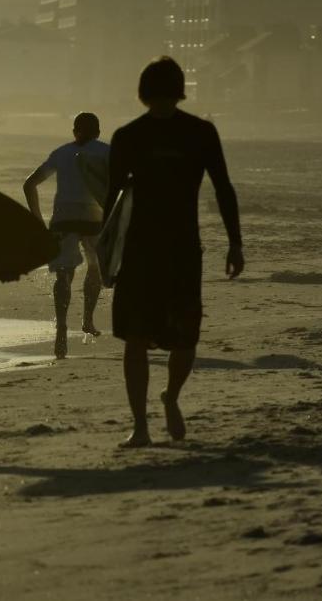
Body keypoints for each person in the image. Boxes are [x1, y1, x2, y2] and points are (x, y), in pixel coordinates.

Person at [104, 57, 243, 448]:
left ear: (178, 94)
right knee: (135, 337)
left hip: (183, 249)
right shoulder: (128, 136)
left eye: (168, 97)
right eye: (157, 97)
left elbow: (223, 188)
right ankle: (139, 425)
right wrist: (106, 254)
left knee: (184, 339)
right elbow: (112, 199)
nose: (163, 104)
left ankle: (171, 397)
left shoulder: (199, 132)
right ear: (146, 96)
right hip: (137, 250)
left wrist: (235, 242)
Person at [23, 112, 110, 358]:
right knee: (95, 268)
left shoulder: (61, 153)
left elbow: (29, 184)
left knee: (64, 275)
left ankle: (61, 329)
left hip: (63, 217)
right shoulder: (106, 152)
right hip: (94, 219)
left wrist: (37, 220)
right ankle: (87, 320)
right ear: (99, 132)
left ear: (74, 131)